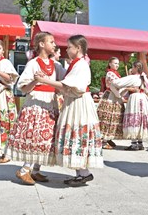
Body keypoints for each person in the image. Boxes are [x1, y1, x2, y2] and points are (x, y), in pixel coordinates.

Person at [34, 34, 103, 186]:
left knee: (77, 133)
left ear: (78, 48)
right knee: (76, 135)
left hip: (79, 102)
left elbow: (68, 86)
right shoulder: (77, 63)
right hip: (75, 100)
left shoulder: (81, 64)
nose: (67, 49)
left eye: (70, 46)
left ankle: (83, 173)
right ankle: (82, 173)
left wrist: (44, 80)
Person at [5, 32, 60, 185]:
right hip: (36, 102)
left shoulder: (55, 64)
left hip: (50, 103)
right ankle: (24, 170)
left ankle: (35, 170)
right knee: (35, 135)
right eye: (51, 41)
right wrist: (35, 81)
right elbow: (22, 87)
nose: (54, 45)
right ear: (42, 44)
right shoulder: (33, 63)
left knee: (46, 137)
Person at [110, 61, 148, 151]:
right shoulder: (143, 78)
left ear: (136, 68)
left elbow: (116, 83)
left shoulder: (133, 78)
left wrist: (119, 92)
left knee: (134, 118)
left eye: (132, 67)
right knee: (140, 120)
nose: (131, 69)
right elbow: (147, 90)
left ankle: (134, 144)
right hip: (143, 99)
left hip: (135, 99)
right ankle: (140, 143)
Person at [97, 57, 125, 149]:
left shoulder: (115, 73)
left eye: (118, 63)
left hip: (115, 97)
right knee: (107, 117)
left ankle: (108, 138)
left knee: (114, 118)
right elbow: (116, 84)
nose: (117, 65)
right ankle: (104, 140)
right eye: (115, 63)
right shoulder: (110, 73)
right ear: (110, 64)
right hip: (110, 96)